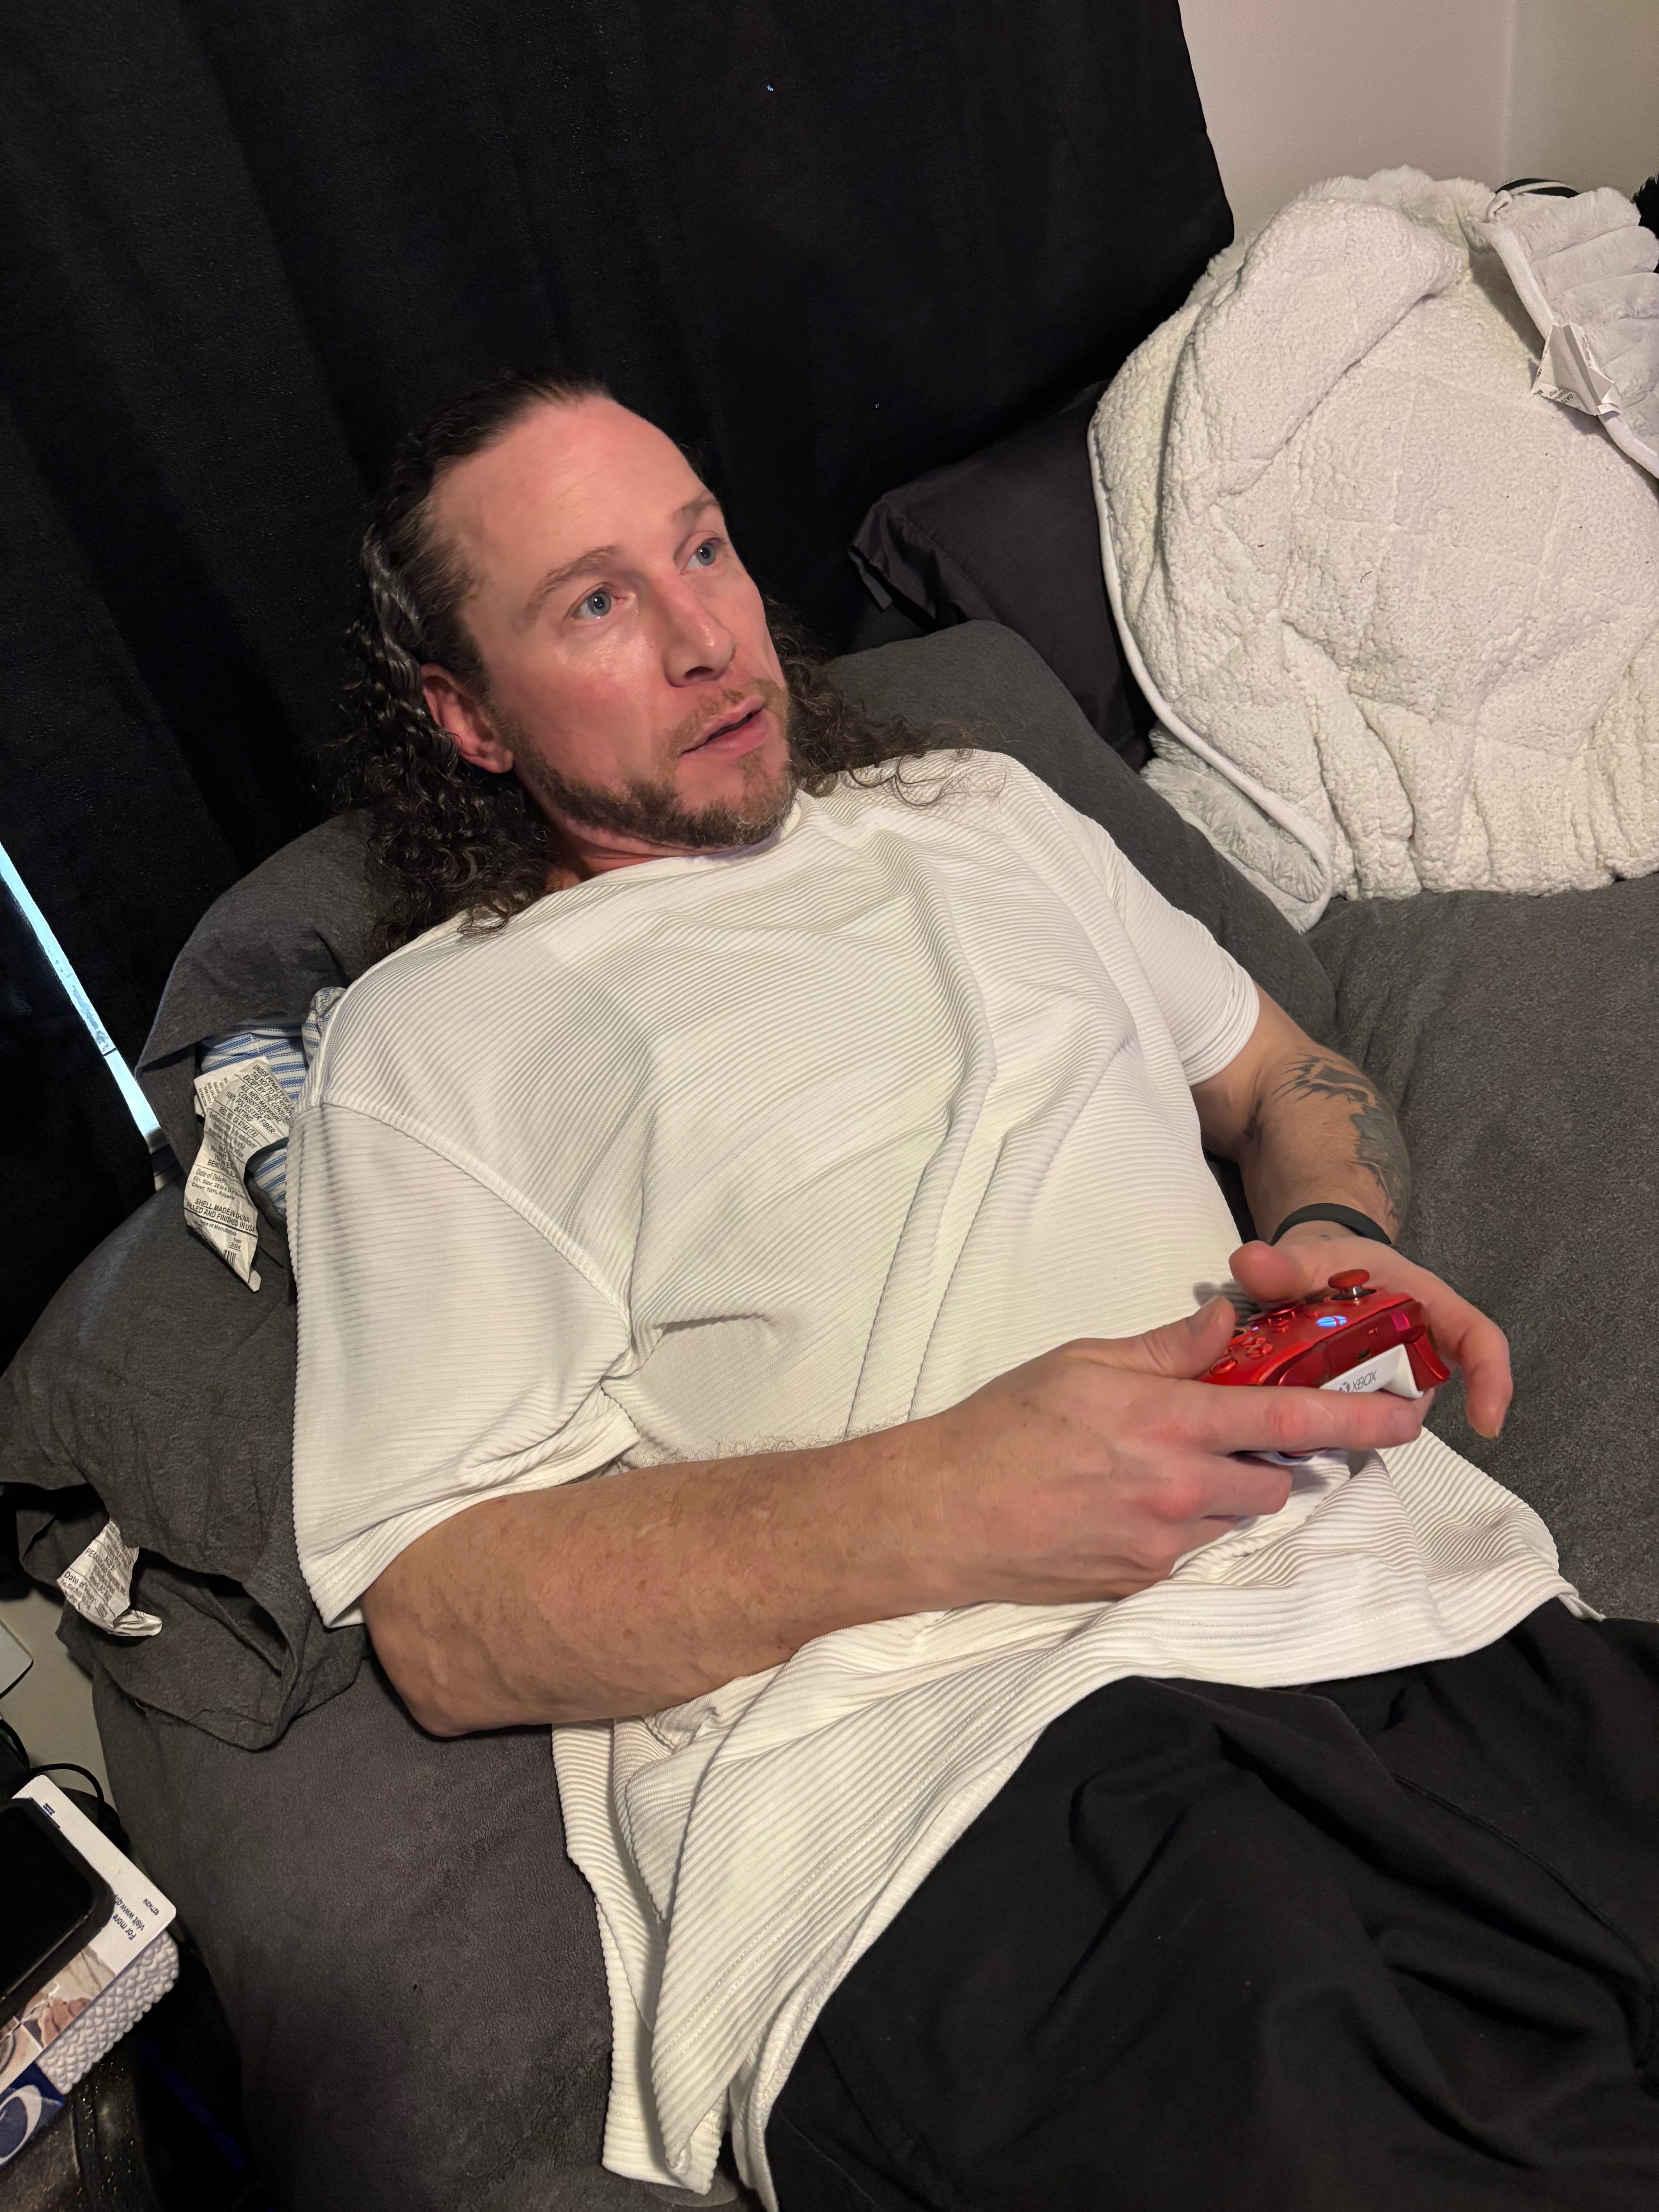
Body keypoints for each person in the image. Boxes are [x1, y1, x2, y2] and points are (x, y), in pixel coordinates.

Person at [290, 371, 1659, 2211]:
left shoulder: (978, 811)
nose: (708, 636)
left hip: (1436, 1617)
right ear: (466, 715)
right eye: (598, 602)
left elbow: (1284, 1076)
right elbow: (443, 1624)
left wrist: (1338, 1232)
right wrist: (946, 1499)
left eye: (704, 549)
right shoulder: (433, 1039)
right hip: (981, 1795)